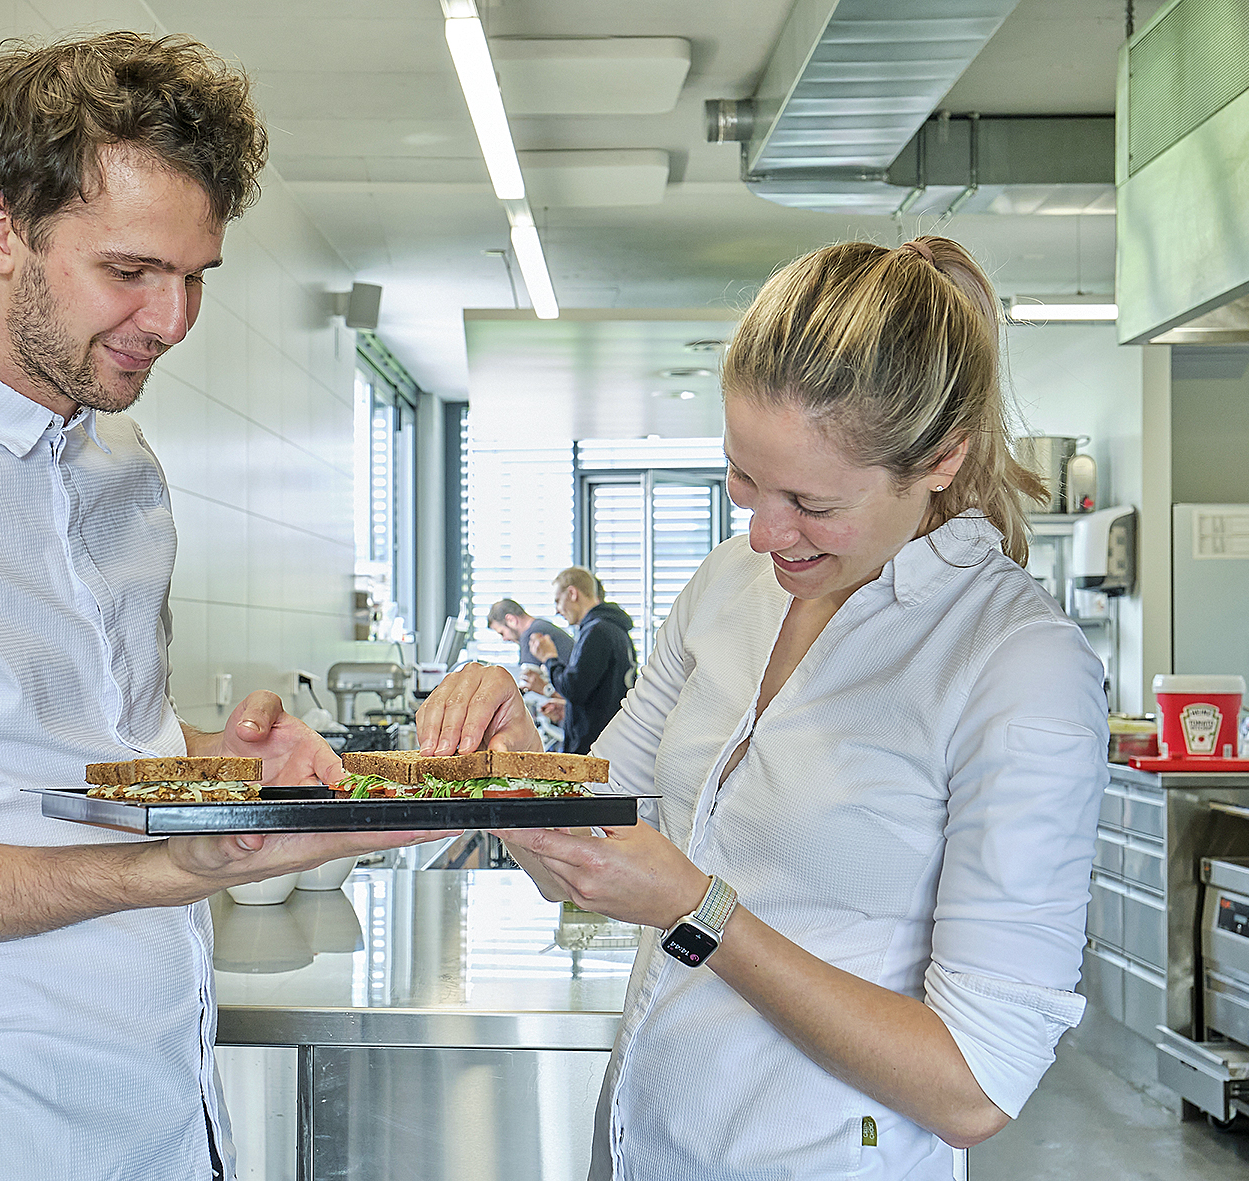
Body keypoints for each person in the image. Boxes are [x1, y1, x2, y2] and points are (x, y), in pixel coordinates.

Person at [0, 33, 437, 1181]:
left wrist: (214, 766)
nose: (172, 319)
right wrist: (189, 863)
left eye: (195, 275)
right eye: (131, 270)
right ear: (0, 231)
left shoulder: (123, 464)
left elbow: (81, 752)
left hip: (157, 1112)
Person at [415, 236, 1108, 1179]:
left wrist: (701, 910)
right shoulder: (728, 587)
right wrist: (515, 750)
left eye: (812, 503)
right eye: (744, 477)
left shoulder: (1015, 661)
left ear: (943, 458)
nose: (763, 532)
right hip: (638, 1150)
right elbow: (584, 847)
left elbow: (973, 1087)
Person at [521, 567, 636, 755]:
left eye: (558, 600)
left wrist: (549, 658)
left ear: (572, 593)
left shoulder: (596, 632)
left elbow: (574, 688)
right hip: (611, 741)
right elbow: (601, 694)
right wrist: (570, 712)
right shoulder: (615, 630)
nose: (558, 610)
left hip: (593, 748)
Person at [487, 597, 573, 669]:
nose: (504, 639)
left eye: (502, 633)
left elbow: (527, 681)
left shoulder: (531, 635)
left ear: (511, 620)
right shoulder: (541, 625)